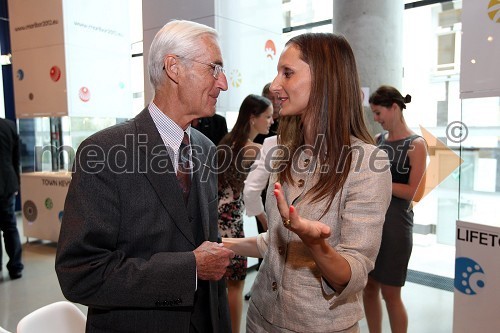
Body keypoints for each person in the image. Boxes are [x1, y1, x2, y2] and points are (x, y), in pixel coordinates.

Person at [55, 20, 235, 333]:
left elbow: (209, 250)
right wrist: (189, 269)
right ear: (174, 68)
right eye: (214, 68)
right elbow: (80, 273)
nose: (223, 84)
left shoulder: (205, 149)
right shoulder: (105, 152)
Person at [223, 32, 392, 332]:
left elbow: (352, 274)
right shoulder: (286, 154)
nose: (275, 86)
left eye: (287, 73)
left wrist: (317, 245)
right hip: (260, 318)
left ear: (326, 79)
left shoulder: (367, 165)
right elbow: (276, 244)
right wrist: (219, 245)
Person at [363, 85, 427, 333]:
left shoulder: (416, 144)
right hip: (372, 225)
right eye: (374, 114)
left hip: (396, 228)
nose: (376, 120)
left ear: (395, 108)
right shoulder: (378, 141)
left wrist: (381, 182)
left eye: (379, 113)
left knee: (390, 294)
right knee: (369, 288)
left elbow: (415, 192)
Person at [217, 94, 273, 333]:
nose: (271, 122)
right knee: (236, 285)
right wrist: (263, 217)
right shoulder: (256, 149)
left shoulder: (226, 142)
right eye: (268, 117)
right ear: (253, 118)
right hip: (231, 221)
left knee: (219, 282)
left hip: (214, 217)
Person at [0, 117, 24, 280]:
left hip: (8, 183)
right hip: (8, 183)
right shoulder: (8, 126)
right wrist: (16, 184)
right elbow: (16, 159)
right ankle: (15, 267)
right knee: (10, 227)